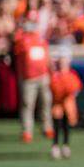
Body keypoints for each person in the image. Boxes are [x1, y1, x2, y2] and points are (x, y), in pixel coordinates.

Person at [13, 11, 53, 143]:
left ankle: (47, 127)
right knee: (27, 105)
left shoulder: (40, 39)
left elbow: (47, 57)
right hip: (28, 78)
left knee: (46, 103)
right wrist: (20, 30)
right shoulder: (21, 39)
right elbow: (17, 46)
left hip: (43, 76)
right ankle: (27, 131)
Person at [49, 48, 81, 159]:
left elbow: (77, 87)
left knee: (67, 124)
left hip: (68, 102)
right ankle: (55, 145)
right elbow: (52, 86)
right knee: (57, 123)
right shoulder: (55, 74)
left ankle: (66, 145)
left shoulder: (71, 74)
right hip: (57, 102)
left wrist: (71, 93)